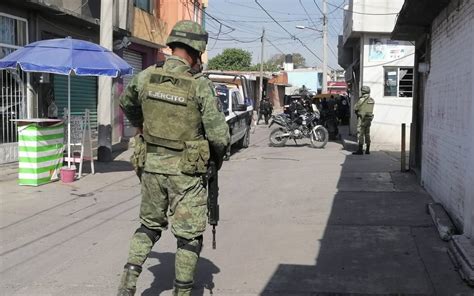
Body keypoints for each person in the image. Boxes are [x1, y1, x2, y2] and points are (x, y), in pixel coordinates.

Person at [117, 20, 230, 296]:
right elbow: (219, 136)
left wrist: (141, 127)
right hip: (187, 175)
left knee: (148, 226)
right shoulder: (199, 85)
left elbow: (126, 103)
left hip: (151, 168)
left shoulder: (146, 76)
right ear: (196, 51)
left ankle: (127, 285)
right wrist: (214, 161)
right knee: (189, 238)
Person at [353, 86, 375, 155]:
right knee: (367, 133)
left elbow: (356, 107)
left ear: (363, 92)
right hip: (368, 119)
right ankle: (368, 149)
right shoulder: (372, 100)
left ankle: (360, 149)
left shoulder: (362, 100)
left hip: (362, 119)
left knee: (360, 133)